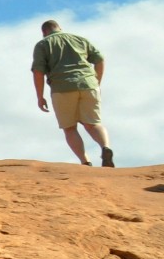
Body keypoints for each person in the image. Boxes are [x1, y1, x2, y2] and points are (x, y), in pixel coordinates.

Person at [32, 19, 113, 167]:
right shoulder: (79, 39)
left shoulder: (43, 44)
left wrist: (40, 96)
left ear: (44, 32)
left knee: (69, 128)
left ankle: (85, 161)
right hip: (88, 84)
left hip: (62, 88)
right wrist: (97, 82)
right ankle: (105, 147)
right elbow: (100, 59)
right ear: (60, 28)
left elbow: (38, 72)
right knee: (93, 124)